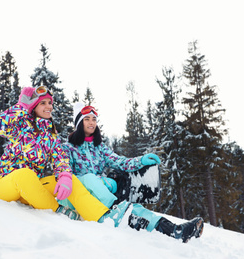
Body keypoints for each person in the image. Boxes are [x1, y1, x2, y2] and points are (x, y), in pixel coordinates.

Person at [60, 102, 204, 242]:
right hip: (78, 199)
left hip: (101, 197)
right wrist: (99, 180)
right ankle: (116, 207)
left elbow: (120, 162)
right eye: (87, 119)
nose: (91, 122)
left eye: (94, 119)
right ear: (79, 123)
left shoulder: (99, 148)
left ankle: (174, 231)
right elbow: (65, 174)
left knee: (133, 208)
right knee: (92, 179)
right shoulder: (68, 148)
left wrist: (141, 161)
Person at [0, 86, 110, 221]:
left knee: (71, 178)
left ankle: (101, 216)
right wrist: (21, 106)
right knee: (24, 174)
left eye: (50, 103)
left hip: (32, 189)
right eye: (43, 103)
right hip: (4, 185)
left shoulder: (51, 135)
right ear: (33, 106)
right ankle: (59, 210)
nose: (49, 106)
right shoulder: (22, 125)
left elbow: (60, 158)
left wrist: (64, 175)